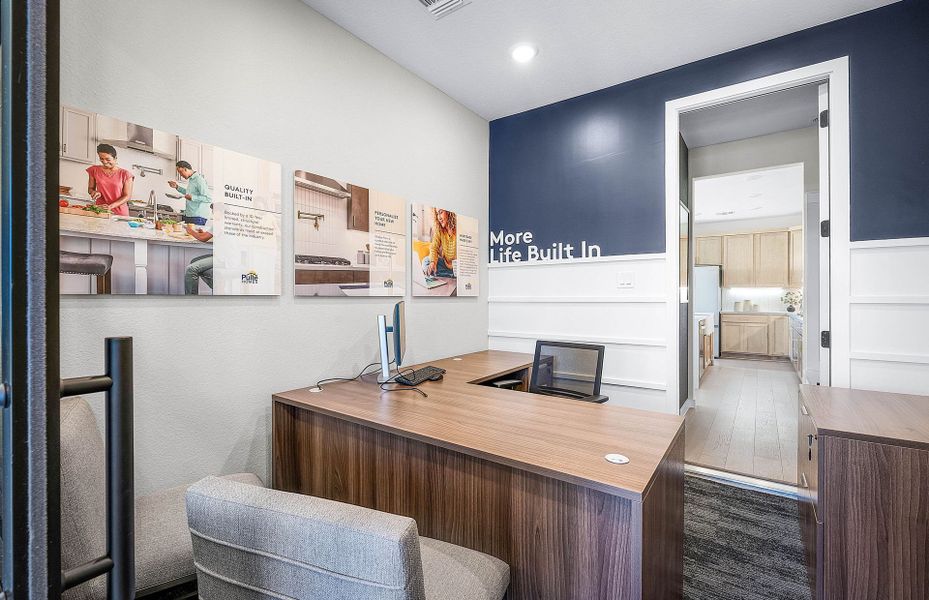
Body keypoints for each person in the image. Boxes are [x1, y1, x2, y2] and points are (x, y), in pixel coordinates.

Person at [86, 143, 134, 216]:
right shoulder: (94, 170)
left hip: (119, 213)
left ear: (115, 158)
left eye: (108, 159)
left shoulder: (125, 174)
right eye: (101, 159)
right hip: (100, 211)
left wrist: (110, 206)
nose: (104, 162)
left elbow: (127, 196)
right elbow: (90, 189)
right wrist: (94, 192)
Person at [169, 160, 212, 226]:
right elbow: (188, 193)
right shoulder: (192, 180)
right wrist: (177, 187)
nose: (180, 175)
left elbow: (208, 198)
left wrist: (192, 197)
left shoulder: (199, 180)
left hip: (198, 217)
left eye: (180, 172)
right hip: (190, 215)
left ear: (185, 169)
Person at [422, 207, 457, 277]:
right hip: (445, 264)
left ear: (449, 212)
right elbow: (434, 248)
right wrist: (433, 262)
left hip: (457, 267)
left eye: (441, 212)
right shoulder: (439, 230)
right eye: (437, 214)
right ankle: (450, 276)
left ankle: (448, 275)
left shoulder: (458, 228)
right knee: (426, 261)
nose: (439, 218)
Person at [184, 224, 214, 295]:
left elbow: (203, 238)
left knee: (191, 269)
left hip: (225, 258)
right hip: (224, 256)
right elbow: (206, 235)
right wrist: (202, 233)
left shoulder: (220, 221)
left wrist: (190, 231)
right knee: (194, 261)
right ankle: (216, 287)